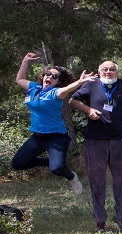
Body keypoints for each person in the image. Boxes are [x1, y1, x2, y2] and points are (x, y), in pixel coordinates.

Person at [70, 59, 122, 232]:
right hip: (95, 141)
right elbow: (72, 101)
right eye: (105, 69)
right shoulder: (91, 84)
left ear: (117, 71)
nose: (108, 72)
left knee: (121, 180)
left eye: (112, 69)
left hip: (118, 140)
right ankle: (100, 221)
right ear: (99, 71)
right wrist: (88, 110)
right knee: (97, 181)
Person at [14, 54, 94, 198]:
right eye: (48, 74)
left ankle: (72, 176)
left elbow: (67, 89)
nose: (49, 77)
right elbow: (19, 80)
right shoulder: (34, 89)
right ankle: (49, 162)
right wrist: (25, 61)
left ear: (58, 82)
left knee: (57, 168)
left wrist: (80, 82)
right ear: (43, 76)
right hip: (37, 137)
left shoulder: (55, 93)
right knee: (18, 163)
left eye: (54, 76)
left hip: (56, 138)